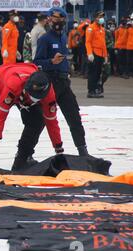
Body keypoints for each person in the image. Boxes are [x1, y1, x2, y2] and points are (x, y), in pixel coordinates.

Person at [34, 7, 89, 157]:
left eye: (61, 18)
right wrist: (51, 61)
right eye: (55, 18)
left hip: (64, 83)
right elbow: (37, 62)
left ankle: (83, 151)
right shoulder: (44, 39)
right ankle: (26, 153)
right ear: (50, 20)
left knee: (74, 117)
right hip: (51, 83)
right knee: (41, 120)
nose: (58, 21)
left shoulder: (64, 37)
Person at [86, 11, 107, 99]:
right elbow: (88, 42)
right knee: (93, 74)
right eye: (99, 16)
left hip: (101, 54)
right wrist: (90, 53)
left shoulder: (102, 29)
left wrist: (105, 56)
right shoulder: (91, 28)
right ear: (95, 18)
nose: (101, 18)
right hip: (94, 54)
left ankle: (95, 89)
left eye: (102, 16)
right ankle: (91, 91)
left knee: (98, 74)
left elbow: (103, 44)